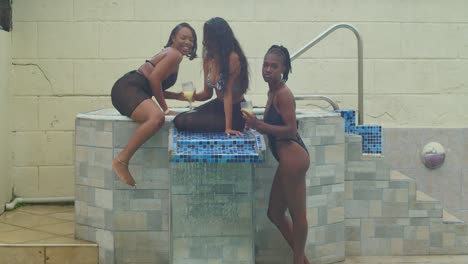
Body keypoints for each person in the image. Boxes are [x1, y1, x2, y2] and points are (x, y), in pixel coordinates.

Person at [242, 45, 310, 264]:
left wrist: (260, 125)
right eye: (265, 64)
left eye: (274, 66)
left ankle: (298, 261)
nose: (268, 69)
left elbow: (291, 129)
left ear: (284, 69)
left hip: (293, 158)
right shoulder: (272, 90)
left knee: (298, 215)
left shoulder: (284, 94)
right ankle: (303, 260)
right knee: (274, 213)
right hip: (287, 158)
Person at [110, 22, 197, 187]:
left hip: (129, 89)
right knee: (157, 118)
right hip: (129, 88)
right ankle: (121, 160)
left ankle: (122, 160)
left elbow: (153, 83)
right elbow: (153, 79)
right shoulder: (174, 55)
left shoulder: (172, 55)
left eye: (191, 39)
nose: (187, 42)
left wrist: (177, 96)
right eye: (183, 37)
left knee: (156, 117)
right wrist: (165, 108)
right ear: (173, 38)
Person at [173, 17, 249, 136]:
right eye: (206, 37)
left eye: (210, 38)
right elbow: (207, 94)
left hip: (235, 111)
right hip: (218, 105)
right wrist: (192, 96)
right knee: (179, 119)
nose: (207, 42)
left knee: (187, 121)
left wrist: (228, 128)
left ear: (220, 39)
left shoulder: (233, 58)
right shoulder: (209, 58)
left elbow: (227, 93)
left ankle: (229, 124)